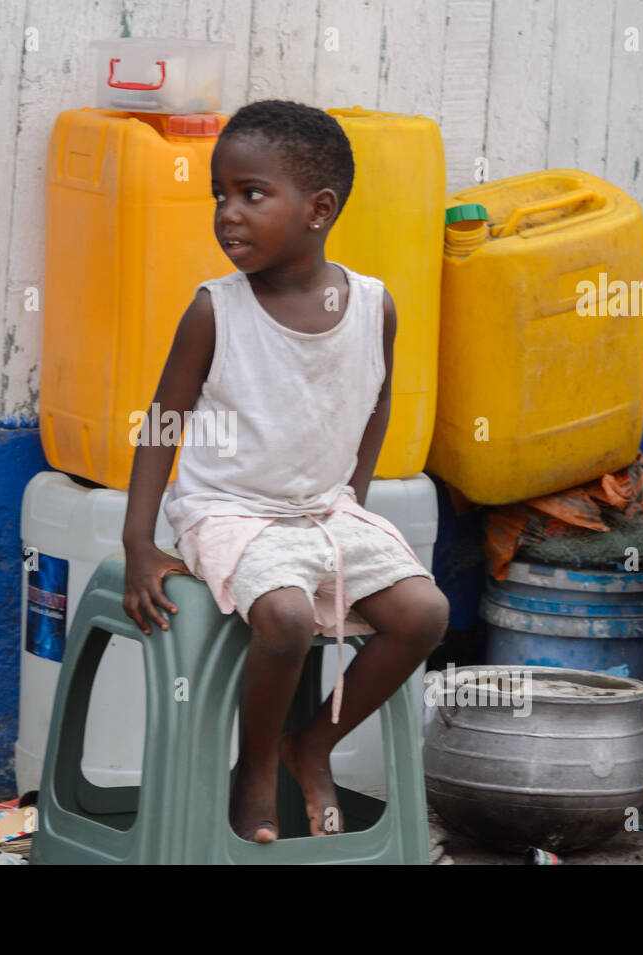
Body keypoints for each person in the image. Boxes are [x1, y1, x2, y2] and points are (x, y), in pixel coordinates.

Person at [121, 101, 449, 843]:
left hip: (323, 512)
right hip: (228, 510)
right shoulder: (216, 312)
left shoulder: (372, 306)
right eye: (220, 195)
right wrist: (139, 540)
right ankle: (258, 764)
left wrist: (353, 503)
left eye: (251, 193)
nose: (227, 214)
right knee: (288, 618)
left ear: (319, 208)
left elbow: (375, 402)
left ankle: (315, 743)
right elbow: (162, 425)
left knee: (424, 614)